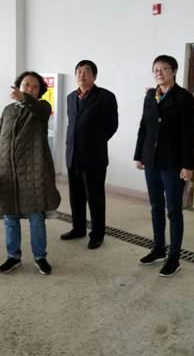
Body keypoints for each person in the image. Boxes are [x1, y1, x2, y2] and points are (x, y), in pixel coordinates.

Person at [0, 71, 61, 275]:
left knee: (36, 216)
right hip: (7, 170)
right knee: (10, 216)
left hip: (33, 171)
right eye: (25, 84)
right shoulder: (8, 110)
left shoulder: (42, 108)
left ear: (40, 91)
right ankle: (13, 256)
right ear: (18, 86)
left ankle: (40, 257)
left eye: (34, 86)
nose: (29, 88)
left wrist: (25, 98)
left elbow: (40, 110)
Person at [134, 55, 194, 277]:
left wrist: (188, 165)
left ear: (174, 71)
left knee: (174, 210)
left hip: (173, 163)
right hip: (151, 160)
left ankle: (174, 257)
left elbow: (189, 134)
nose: (159, 72)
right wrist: (139, 154)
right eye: (156, 69)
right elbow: (144, 126)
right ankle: (159, 248)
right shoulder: (151, 95)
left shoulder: (184, 98)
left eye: (164, 69)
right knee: (156, 207)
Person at [61, 60, 118, 249]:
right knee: (75, 196)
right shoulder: (71, 97)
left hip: (94, 157)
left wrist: (94, 142)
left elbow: (112, 125)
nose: (81, 74)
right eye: (78, 71)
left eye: (86, 71)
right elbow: (72, 123)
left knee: (95, 198)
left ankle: (97, 234)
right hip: (73, 154)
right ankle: (78, 228)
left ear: (94, 76)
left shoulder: (105, 97)